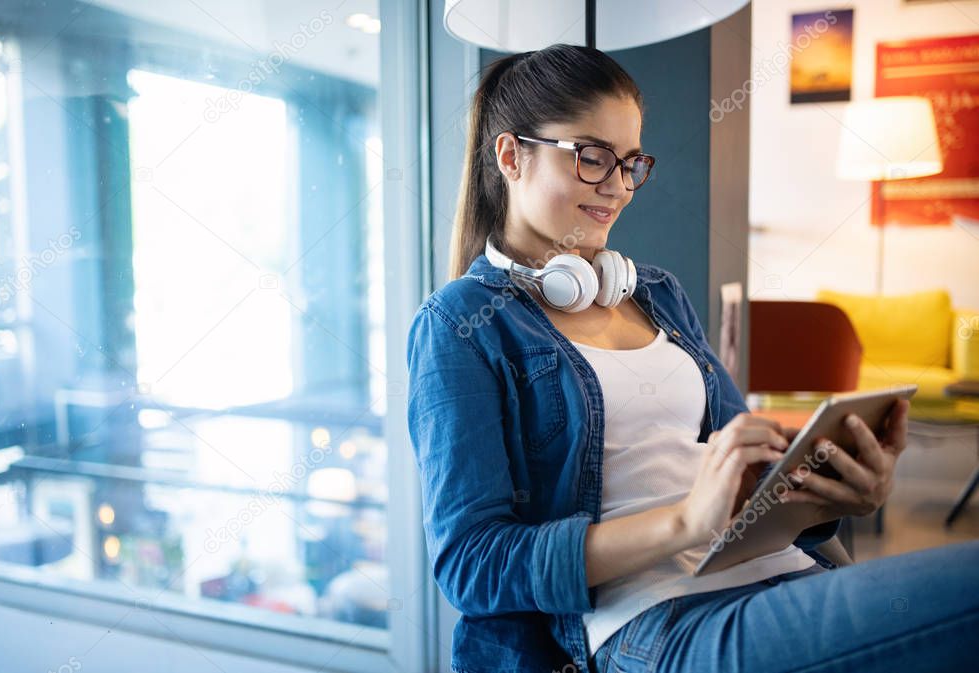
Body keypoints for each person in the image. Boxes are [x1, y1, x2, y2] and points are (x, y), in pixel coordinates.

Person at [405, 43, 979, 673]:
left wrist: (830, 499)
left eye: (630, 163)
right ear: (511, 156)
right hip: (662, 618)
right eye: (592, 158)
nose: (619, 188)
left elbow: (748, 466)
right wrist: (683, 522)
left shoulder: (656, 293)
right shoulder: (459, 324)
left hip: (785, 573)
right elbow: (474, 566)